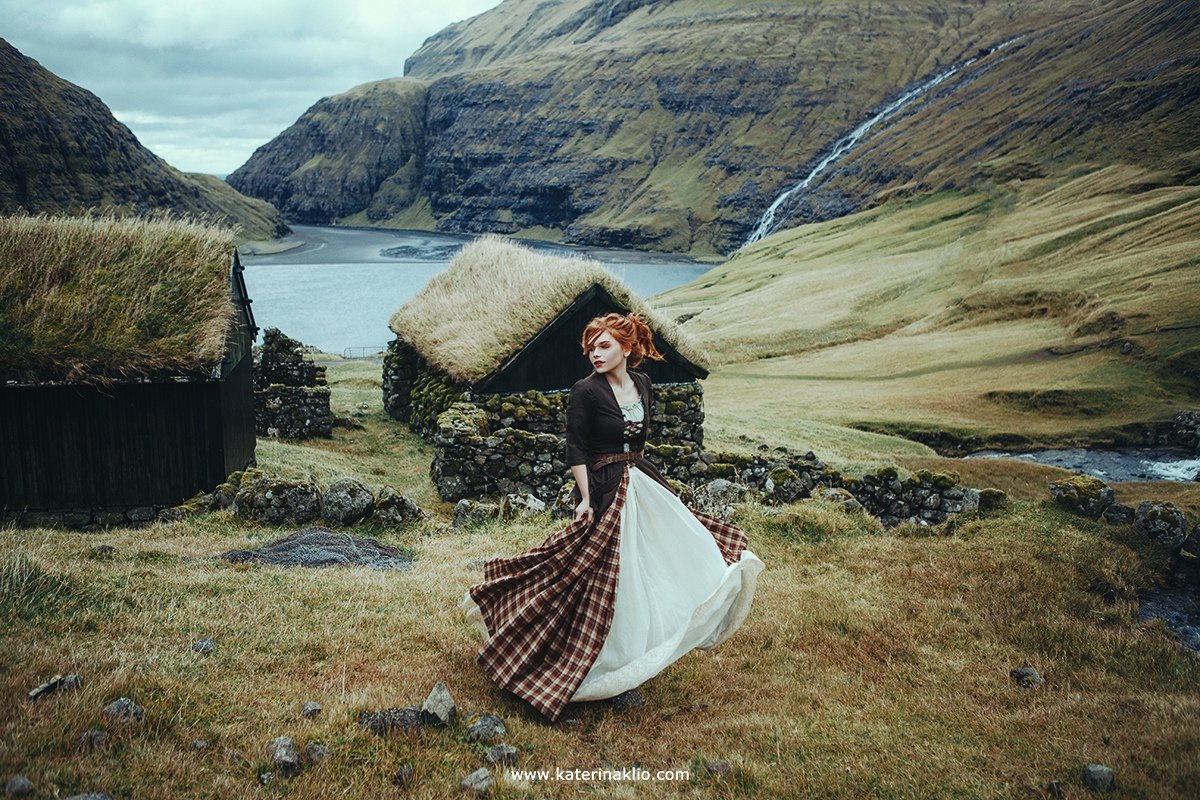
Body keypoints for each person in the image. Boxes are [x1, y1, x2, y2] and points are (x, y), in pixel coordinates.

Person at [462, 311, 763, 721]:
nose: (595, 354)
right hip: (605, 487)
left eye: (603, 346)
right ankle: (575, 655)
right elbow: (575, 448)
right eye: (590, 348)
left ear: (626, 347)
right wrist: (586, 498)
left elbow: (639, 440)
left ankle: (638, 648)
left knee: (666, 557)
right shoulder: (585, 391)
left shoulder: (642, 384)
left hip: (642, 480)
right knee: (594, 573)